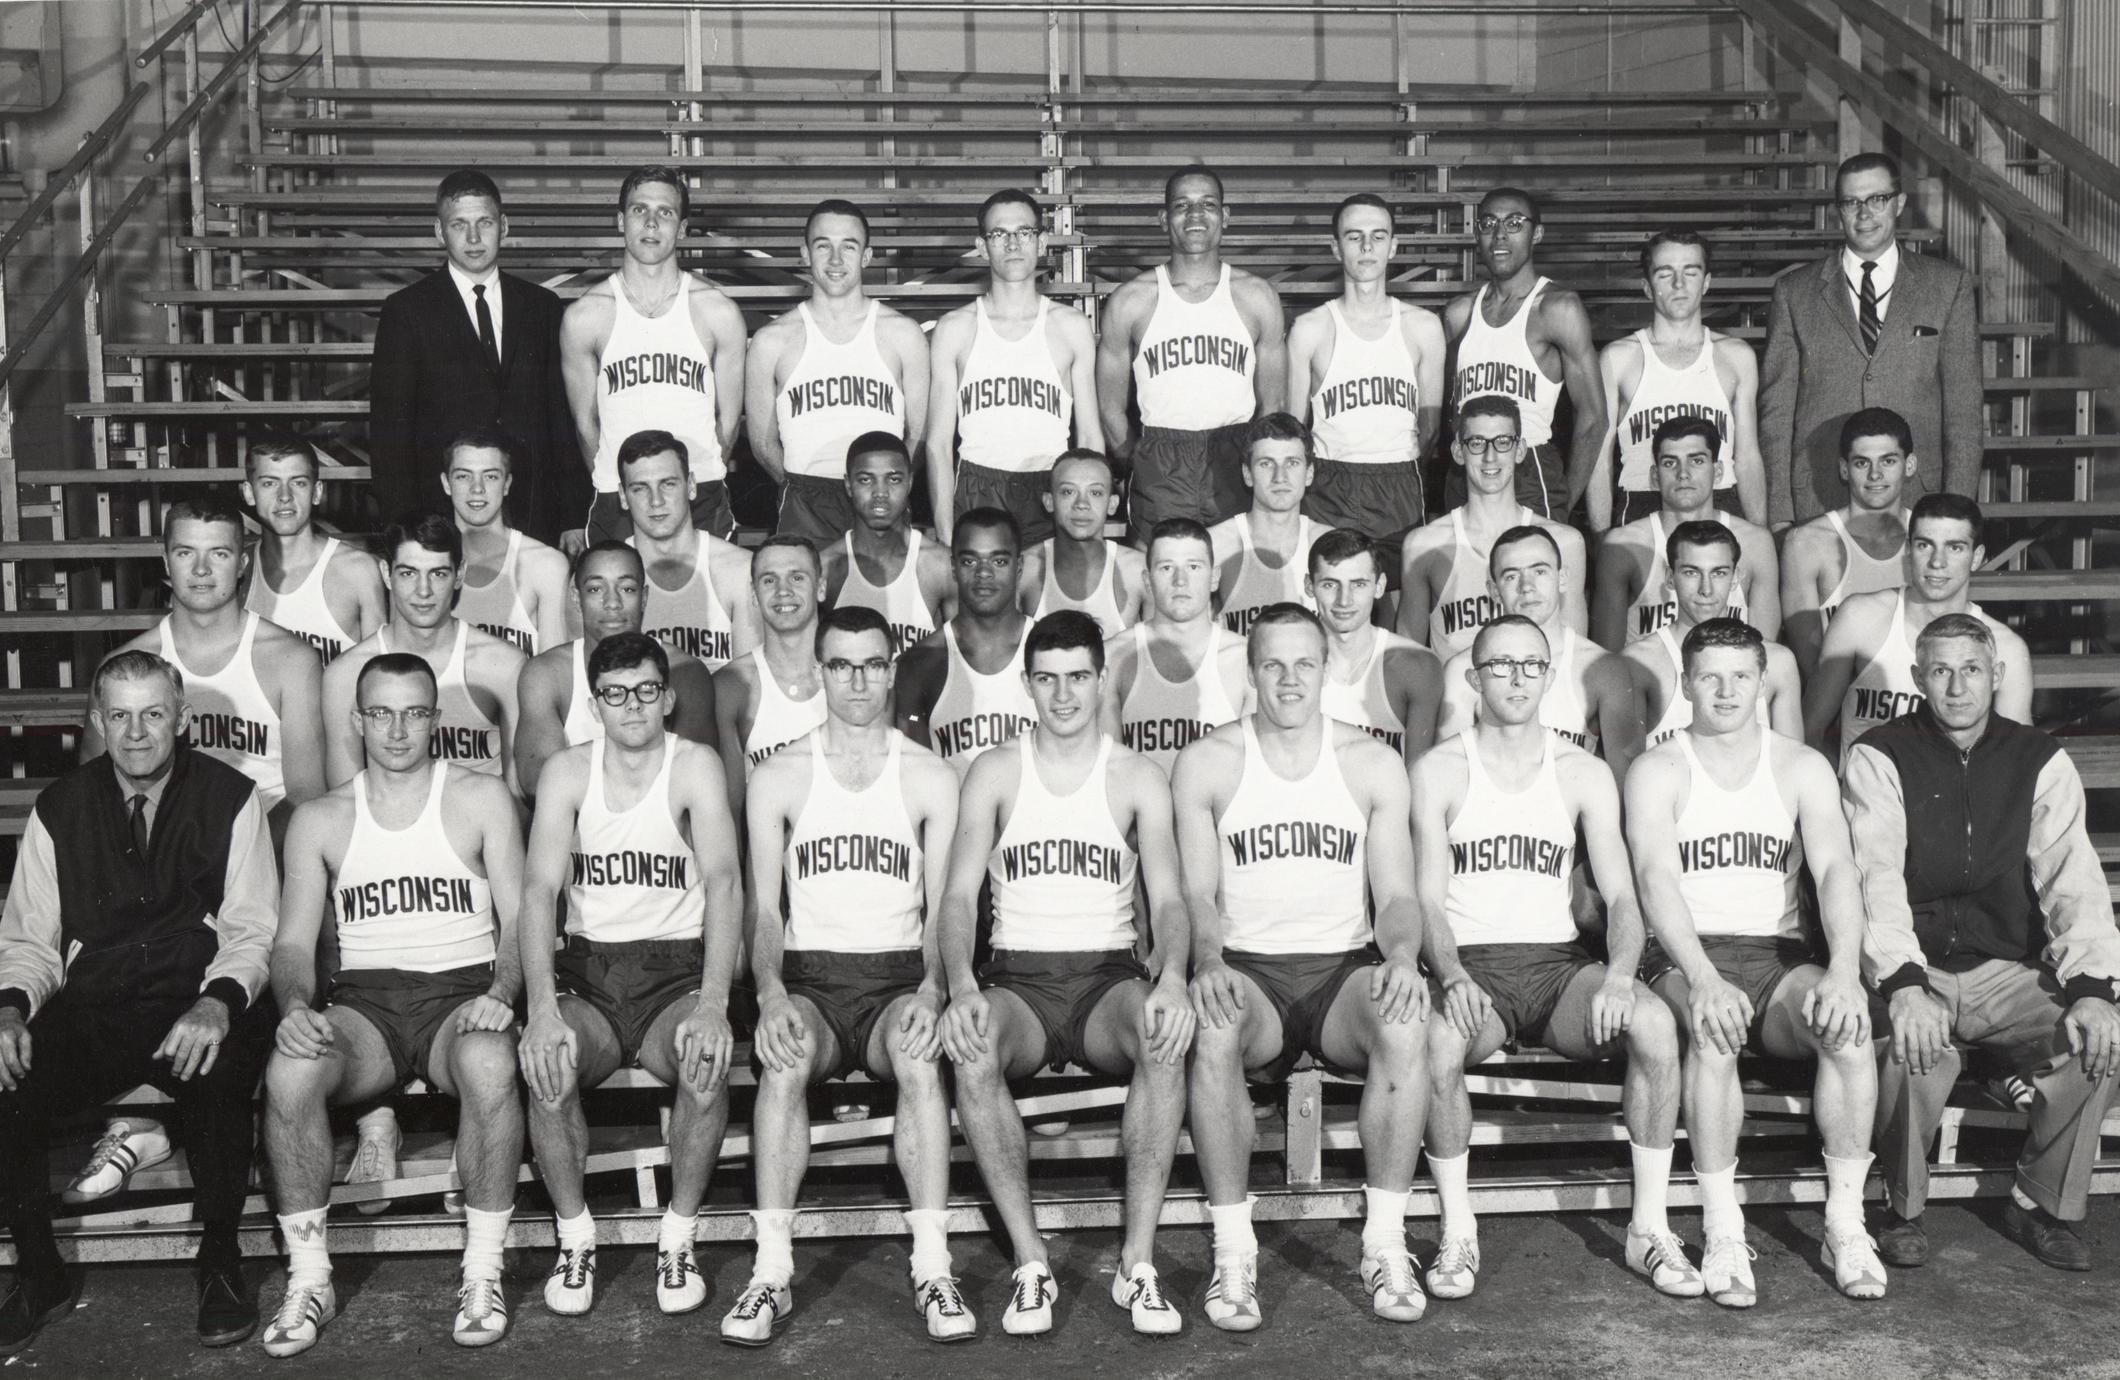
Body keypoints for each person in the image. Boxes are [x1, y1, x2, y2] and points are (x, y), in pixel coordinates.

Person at [0, 652, 279, 1354]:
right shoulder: (60, 807)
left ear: (180, 718)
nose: (136, 732)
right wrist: (8, 1009)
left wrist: (217, 1002)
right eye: (119, 715)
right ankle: (39, 1274)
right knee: (5, 1076)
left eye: (153, 714)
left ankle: (219, 1262)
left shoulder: (231, 796)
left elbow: (252, 929)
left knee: (216, 1071)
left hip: (197, 995)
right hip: (101, 1003)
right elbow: (32, 939)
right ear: (96, 719)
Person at [258, 653, 526, 1355]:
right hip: (365, 1005)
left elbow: (524, 918)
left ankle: (482, 1269)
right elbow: (290, 944)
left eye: (414, 712)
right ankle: (310, 1277)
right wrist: (293, 1006)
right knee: (290, 1073)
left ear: (436, 720)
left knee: (493, 1067)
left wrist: (503, 991)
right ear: (357, 721)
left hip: (460, 991)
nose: (398, 729)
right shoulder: (321, 817)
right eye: (382, 712)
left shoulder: (479, 797)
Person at [1413, 616, 1684, 1302]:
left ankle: (1649, 1227)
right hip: (1473, 967)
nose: (1516, 678)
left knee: (1653, 1026)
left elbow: (1622, 896)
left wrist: (1622, 973)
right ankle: (1458, 1228)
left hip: (1558, 968)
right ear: (1473, 678)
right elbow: (1425, 903)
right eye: (1500, 665)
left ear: (1548, 676)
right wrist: (1449, 975)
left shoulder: (1582, 772)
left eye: (1532, 665)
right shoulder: (1440, 770)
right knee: (1437, 1043)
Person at [940, 611, 1194, 1337]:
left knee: (1164, 1035)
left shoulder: (1136, 775)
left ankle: (1136, 1265)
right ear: (1026, 684)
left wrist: (1171, 975)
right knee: (974, 1047)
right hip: (1017, 978)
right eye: (1046, 679)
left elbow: (1171, 900)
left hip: (1106, 976)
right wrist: (962, 986)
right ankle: (1030, 1263)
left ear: (1100, 678)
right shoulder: (995, 769)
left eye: (1077, 676)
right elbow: (957, 897)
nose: (1062, 695)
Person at [1177, 605, 1429, 1329]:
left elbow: (1400, 896)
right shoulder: (1210, 761)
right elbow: (1197, 892)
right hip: (1249, 967)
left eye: (1305, 664)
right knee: (1215, 1029)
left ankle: (1384, 1243)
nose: (1289, 680)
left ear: (1327, 669)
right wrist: (1208, 958)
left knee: (1407, 1023)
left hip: (1340, 969)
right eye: (1273, 664)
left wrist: (1405, 957)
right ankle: (1233, 1254)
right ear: (1250, 671)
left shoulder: (1370, 762)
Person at [1843, 612, 2120, 1273]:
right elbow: (1874, 877)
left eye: (1971, 670)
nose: (1957, 687)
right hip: (1921, 967)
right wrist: (1904, 984)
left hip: (2007, 970)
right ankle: (1901, 1208)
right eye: (1940, 671)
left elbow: (2071, 878)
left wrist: (2091, 989)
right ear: (1918, 679)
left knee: (2101, 1042)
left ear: (1995, 676)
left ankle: (2038, 1204)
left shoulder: (2038, 758)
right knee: (1915, 1051)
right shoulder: (1880, 753)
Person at [1625, 618, 1888, 1308]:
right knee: (1714, 1033)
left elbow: (1836, 870)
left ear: (1763, 682)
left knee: (1848, 1032)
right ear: (1685, 684)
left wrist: (1842, 970)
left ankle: (1845, 1224)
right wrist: (1704, 977)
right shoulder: (1658, 767)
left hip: (1778, 954)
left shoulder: (1800, 765)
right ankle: (1722, 1227)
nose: (1726, 690)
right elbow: (1655, 879)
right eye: (1709, 676)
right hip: (1686, 952)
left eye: (1741, 676)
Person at [729, 606, 967, 1344]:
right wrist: (768, 995)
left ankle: (934, 1266)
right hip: (811, 979)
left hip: (899, 976)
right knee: (784, 1059)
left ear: (892, 669)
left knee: (922, 1062)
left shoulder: (928, 774)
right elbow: (763, 910)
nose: (858, 678)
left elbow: (941, 911)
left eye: (872, 663)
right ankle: (771, 1272)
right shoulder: (779, 774)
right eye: (841, 664)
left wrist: (933, 989)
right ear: (818, 673)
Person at [514, 633, 743, 1317]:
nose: (633, 706)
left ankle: (678, 1235)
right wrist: (542, 1009)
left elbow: (726, 883)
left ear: (667, 697)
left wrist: (715, 1002)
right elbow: (535, 892)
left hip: (675, 967)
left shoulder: (693, 764)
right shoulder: (566, 771)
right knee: (548, 1064)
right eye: (616, 695)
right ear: (595, 705)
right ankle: (576, 1235)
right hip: (589, 967)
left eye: (646, 691)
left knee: (705, 1060)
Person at [1761, 152, 1981, 529]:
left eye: (1877, 199)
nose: (1864, 213)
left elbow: (1963, 413)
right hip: (1819, 496)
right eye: (1851, 202)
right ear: (1838, 210)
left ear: (1899, 204)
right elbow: (1776, 416)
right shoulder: (1794, 292)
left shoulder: (1948, 286)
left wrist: (1956, 510)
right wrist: (1781, 514)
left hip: (1919, 500)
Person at [89, 496, 325, 835]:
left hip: (262, 849)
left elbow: (306, 795)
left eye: (219, 553)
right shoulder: (120, 666)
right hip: (159, 849)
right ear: (166, 562)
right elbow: (97, 788)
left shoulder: (292, 660)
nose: (201, 569)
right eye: (186, 553)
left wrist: (233, 857)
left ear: (242, 563)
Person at [370, 169, 580, 543]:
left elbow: (562, 419)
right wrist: (402, 527)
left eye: (484, 222)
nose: (472, 237)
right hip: (440, 516)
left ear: (504, 226)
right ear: (439, 232)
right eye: (458, 224)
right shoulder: (406, 311)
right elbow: (391, 433)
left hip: (532, 510)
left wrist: (572, 516)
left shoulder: (542, 307)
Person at [1096, 166, 1286, 542]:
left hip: (1235, 453)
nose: (1196, 215)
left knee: (1238, 579)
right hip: (1161, 458)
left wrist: (1252, 460)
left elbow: (1274, 403)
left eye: (1208, 205)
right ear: (1164, 219)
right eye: (1182, 205)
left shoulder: (1257, 296)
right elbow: (1109, 407)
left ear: (1225, 216)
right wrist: (1140, 461)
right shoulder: (1132, 300)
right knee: (1163, 577)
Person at [560, 166, 747, 543]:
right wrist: (621, 482)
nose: (650, 223)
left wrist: (699, 474)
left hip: (701, 490)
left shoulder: (717, 311)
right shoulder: (586, 315)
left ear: (681, 228)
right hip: (619, 494)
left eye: (665, 212)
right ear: (620, 221)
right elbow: (585, 424)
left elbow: (728, 420)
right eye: (638, 210)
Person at [748, 198, 930, 546]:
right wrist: (798, 486)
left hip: (880, 500)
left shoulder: (902, 334)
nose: (835, 260)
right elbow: (761, 442)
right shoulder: (772, 341)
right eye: (823, 246)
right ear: (805, 254)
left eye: (848, 247)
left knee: (884, 601)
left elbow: (919, 435)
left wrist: (886, 487)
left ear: (866, 256)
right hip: (805, 500)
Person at [926, 188, 1101, 543]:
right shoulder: (955, 328)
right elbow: (938, 444)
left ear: (1041, 242)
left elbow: (1089, 436)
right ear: (981, 246)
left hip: (1050, 485)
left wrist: (1090, 525)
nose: (1012, 244)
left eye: (1024, 232)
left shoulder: (1071, 327)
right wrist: (946, 534)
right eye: (999, 234)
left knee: (1051, 599)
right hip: (978, 486)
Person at [1803, 493, 2029, 761]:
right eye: (1925, 545)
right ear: (1908, 549)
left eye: (1954, 547)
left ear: (1976, 556)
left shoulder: (2006, 648)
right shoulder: (1860, 618)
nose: (1937, 562)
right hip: (1865, 797)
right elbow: (1810, 731)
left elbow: (2017, 760)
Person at [321, 513, 526, 791]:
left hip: (478, 825)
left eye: (438, 573)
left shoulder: (504, 665)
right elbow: (346, 801)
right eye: (408, 573)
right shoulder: (345, 675)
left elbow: (519, 795)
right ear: (386, 574)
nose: (424, 590)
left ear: (459, 575)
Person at [1286, 193, 1445, 544]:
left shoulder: (1423, 327)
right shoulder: (1309, 329)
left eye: (1378, 236)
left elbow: (1430, 429)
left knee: (1397, 593)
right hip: (1330, 483)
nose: (1367, 246)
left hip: (1399, 481)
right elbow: (1293, 432)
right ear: (1336, 248)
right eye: (1354, 236)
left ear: (1393, 246)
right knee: (1329, 590)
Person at [1443, 187, 1604, 518]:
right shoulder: (1459, 313)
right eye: (1488, 224)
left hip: (1529, 466)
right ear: (1478, 234)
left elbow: (1594, 417)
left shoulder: (1557, 309)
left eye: (1514, 223)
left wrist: (1561, 504)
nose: (1499, 235)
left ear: (1537, 234)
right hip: (1469, 467)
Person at [1436, 525, 1645, 776]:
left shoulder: (1602, 669)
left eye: (1539, 571)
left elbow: (1625, 782)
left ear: (1563, 578)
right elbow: (1448, 774)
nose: (1527, 586)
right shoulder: (1464, 670)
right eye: (1511, 576)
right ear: (1493, 590)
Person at [1592, 231, 1765, 530]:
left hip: (1719, 500)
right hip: (1642, 501)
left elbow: (1748, 457)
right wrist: (1601, 535)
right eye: (1665, 273)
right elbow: (1599, 460)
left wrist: (1760, 534)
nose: (1679, 284)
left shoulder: (1736, 356)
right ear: (1647, 287)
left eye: (1691, 272)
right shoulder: (1618, 358)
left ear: (1707, 282)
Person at [514, 542, 717, 795]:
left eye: (627, 588)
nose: (612, 602)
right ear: (577, 598)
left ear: (643, 598)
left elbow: (695, 778)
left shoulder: (685, 672)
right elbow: (536, 781)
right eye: (596, 589)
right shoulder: (546, 674)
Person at [1398, 397, 1586, 661]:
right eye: (1476, 443)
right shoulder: (1423, 546)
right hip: (1456, 698)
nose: (1490, 457)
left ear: (1519, 450)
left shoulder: (1564, 543)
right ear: (1457, 452)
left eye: (1502, 442)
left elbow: (1575, 658)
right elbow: (1409, 662)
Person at [1591, 416, 1779, 649]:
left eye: (1697, 461)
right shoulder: (1624, 545)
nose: (1683, 473)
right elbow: (1608, 657)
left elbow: (1767, 652)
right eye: (1670, 463)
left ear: (1718, 471)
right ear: (1654, 476)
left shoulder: (1755, 544)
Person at [1623, 523, 1801, 748]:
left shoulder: (1778, 662)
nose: (1705, 589)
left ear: (1735, 577)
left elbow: (1793, 763)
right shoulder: (1639, 663)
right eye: (1691, 572)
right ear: (1670, 577)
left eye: (1718, 573)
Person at [1102, 518, 1251, 776]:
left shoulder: (1244, 658)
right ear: (1147, 581)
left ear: (1214, 577)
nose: (1180, 581)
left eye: (1193, 566)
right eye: (1166, 567)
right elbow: (1110, 773)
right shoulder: (1112, 656)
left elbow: (1250, 773)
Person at [895, 508, 1037, 775]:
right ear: (953, 567)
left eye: (999, 561)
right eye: (970, 561)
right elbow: (916, 779)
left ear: (1019, 567)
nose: (984, 573)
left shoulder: (1050, 653)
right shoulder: (919, 664)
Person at [1779, 407, 1914, 682]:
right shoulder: (1806, 543)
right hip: (1839, 705)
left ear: (1909, 465)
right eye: (1862, 463)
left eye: (1888, 461)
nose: (1875, 474)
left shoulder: (1930, 539)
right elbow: (1813, 667)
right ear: (1844, 469)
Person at [712, 536, 830, 823]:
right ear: (753, 594)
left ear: (821, 587)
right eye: (769, 581)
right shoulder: (732, 685)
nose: (783, 591)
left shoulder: (852, 674)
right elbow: (732, 807)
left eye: (797, 577)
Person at [620, 428, 758, 673]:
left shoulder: (740, 570)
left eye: (668, 484)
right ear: (622, 496)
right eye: (640, 488)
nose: (656, 501)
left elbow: (748, 687)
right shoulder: (607, 576)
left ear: (691, 486)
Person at [241, 435, 386, 664]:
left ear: (317, 492)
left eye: (298, 482)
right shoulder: (238, 570)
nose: (285, 497)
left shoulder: (359, 570)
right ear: (249, 493)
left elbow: (381, 679)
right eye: (270, 483)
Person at [1308, 528, 1442, 762]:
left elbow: (1419, 775)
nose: (1344, 600)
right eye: (1330, 585)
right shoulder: (1288, 662)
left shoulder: (1416, 665)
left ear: (1379, 586)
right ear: (1310, 586)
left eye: (1358, 584)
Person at [444, 427, 576, 654]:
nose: (477, 489)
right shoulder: (422, 563)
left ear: (507, 484)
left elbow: (554, 675)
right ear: (446, 483)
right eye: (464, 476)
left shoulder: (545, 564)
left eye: (491, 476)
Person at [821, 431, 952, 649]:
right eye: (866, 480)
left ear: (909, 482)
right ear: (848, 485)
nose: (880, 492)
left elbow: (964, 658)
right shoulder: (825, 568)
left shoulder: (940, 566)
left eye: (893, 479)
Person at [1209, 413, 1326, 635]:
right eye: (1266, 464)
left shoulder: (1328, 545)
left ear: (1309, 473)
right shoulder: (1216, 545)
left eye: (1292, 463)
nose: (1279, 477)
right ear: (1247, 474)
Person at [1019, 449, 1147, 636]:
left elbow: (1157, 652)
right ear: (1049, 501)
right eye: (1068, 491)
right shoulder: (1025, 569)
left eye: (1095, 493)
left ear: (1112, 504)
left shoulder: (1138, 569)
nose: (1081, 503)